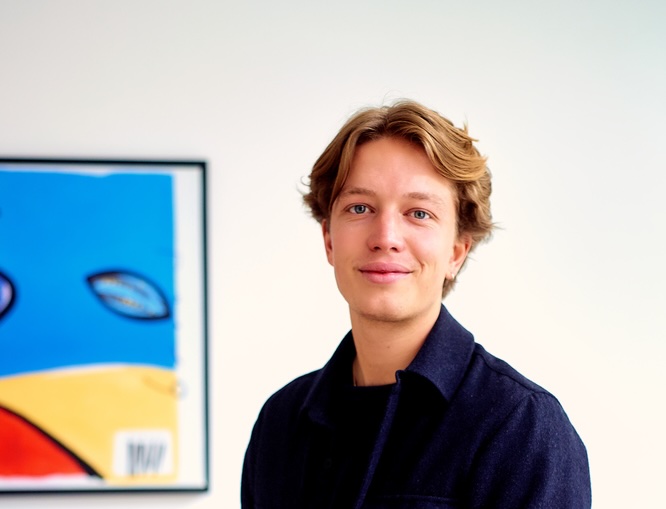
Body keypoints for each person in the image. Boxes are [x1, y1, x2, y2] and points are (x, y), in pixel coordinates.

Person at [242, 100, 591, 508]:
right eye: (360, 208)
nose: (385, 237)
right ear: (329, 240)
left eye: (419, 213)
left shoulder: (521, 426)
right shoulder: (280, 422)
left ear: (457, 251)